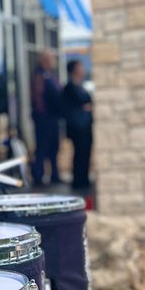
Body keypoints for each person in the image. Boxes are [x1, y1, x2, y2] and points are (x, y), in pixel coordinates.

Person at [29, 50, 63, 187]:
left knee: (53, 147)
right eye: (51, 59)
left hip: (51, 117)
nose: (54, 62)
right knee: (42, 147)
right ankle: (39, 176)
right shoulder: (40, 75)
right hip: (44, 118)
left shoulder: (50, 75)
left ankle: (54, 174)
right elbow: (38, 97)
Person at [60, 59, 93, 192]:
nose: (83, 70)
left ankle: (83, 179)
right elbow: (79, 105)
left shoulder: (80, 86)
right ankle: (79, 181)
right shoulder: (70, 87)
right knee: (79, 153)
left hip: (85, 127)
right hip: (78, 128)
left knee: (85, 154)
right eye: (80, 67)